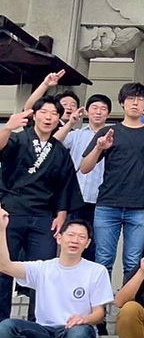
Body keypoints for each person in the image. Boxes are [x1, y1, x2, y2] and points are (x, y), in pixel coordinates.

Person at [0, 213, 111, 338]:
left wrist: (83, 319)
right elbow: (4, 265)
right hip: (45, 334)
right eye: (71, 235)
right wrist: (1, 229)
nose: (75, 240)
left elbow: (99, 314)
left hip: (75, 333)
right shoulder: (42, 268)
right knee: (5, 328)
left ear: (87, 243)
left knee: (79, 334)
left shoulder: (97, 271)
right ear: (59, 238)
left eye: (81, 237)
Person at [0, 98, 82, 321]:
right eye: (43, 112)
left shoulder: (60, 151)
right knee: (3, 268)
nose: (48, 117)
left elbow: (66, 184)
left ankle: (37, 320)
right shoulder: (17, 139)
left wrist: (62, 214)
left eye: (53, 113)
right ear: (34, 115)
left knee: (44, 271)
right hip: (12, 212)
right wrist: (7, 127)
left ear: (58, 119)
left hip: (44, 215)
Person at [81, 82, 144, 278]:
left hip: (139, 207)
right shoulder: (108, 132)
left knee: (134, 262)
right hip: (107, 204)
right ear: (122, 103)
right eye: (130, 99)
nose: (135, 103)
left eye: (140, 99)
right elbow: (85, 168)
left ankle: (128, 307)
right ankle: (100, 308)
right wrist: (99, 147)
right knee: (103, 260)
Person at [56, 93, 112, 231]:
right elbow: (54, 143)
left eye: (103, 109)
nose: (98, 112)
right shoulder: (77, 134)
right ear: (86, 111)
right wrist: (70, 123)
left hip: (102, 198)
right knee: (72, 235)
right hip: (75, 196)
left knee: (95, 242)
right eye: (94, 107)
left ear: (109, 113)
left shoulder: (114, 136)